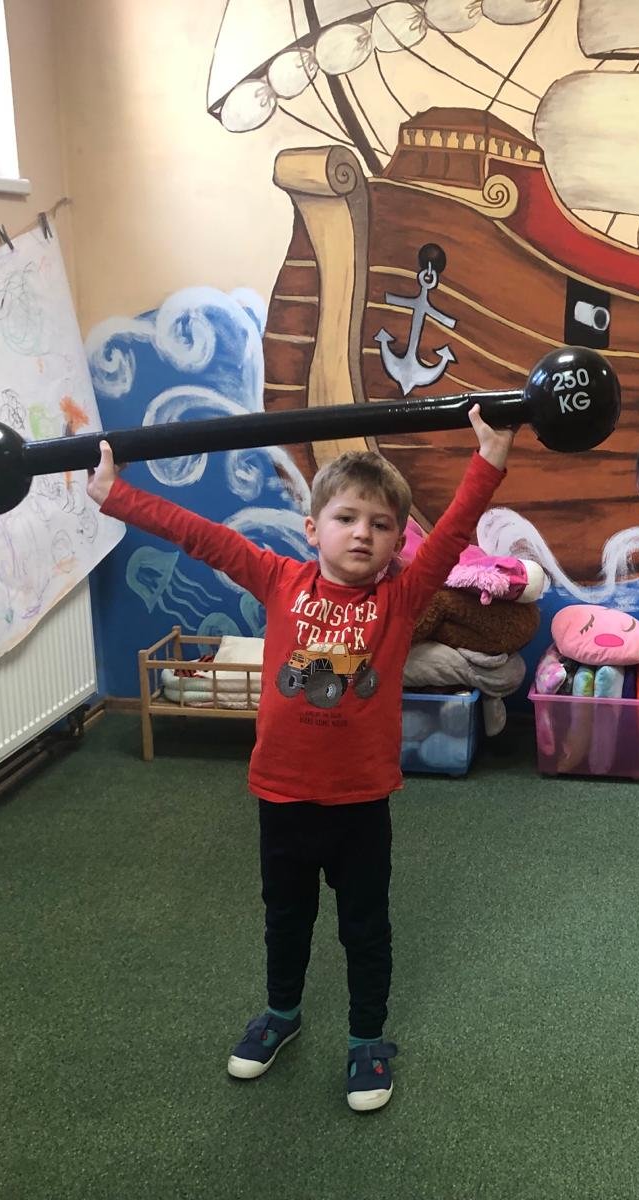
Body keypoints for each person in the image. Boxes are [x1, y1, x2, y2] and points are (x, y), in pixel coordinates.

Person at [87, 409, 514, 1111]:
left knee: (364, 928)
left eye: (380, 524)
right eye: (347, 518)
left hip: (359, 804)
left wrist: (489, 459)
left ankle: (367, 1038)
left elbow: (452, 535)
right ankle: (281, 1014)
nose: (362, 534)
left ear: (396, 542)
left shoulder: (401, 599)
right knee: (285, 918)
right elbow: (203, 536)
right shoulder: (280, 580)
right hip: (283, 796)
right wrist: (116, 496)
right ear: (313, 529)